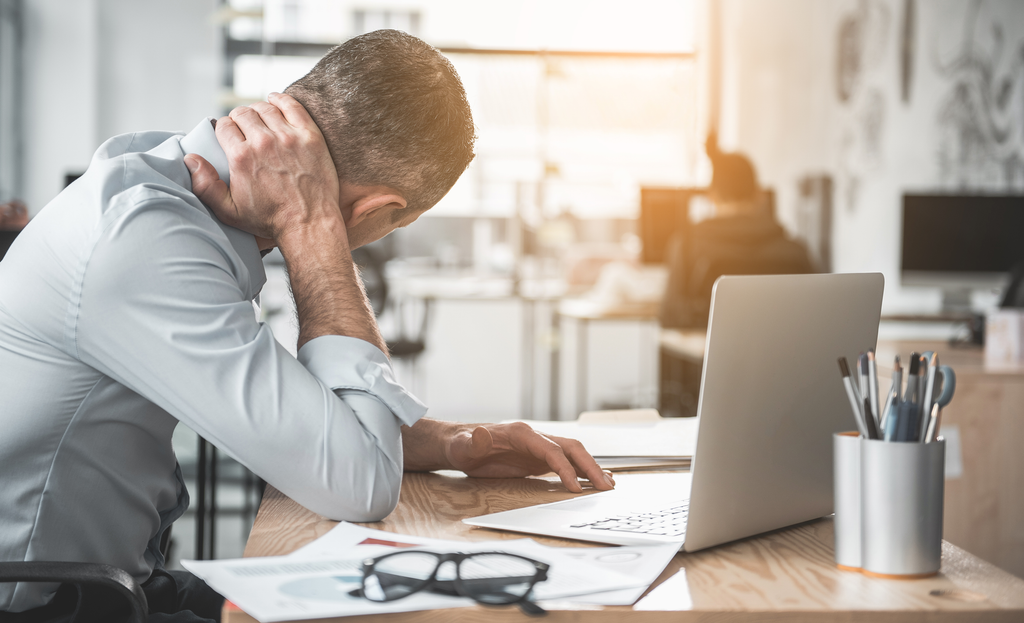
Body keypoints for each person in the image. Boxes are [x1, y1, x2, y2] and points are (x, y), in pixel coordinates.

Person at [0, 30, 613, 622]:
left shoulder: (162, 184)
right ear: (376, 211)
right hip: (52, 604)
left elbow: (296, 415)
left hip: (121, 579)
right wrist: (314, 230)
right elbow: (358, 487)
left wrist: (454, 442)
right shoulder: (145, 240)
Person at [660, 133, 814, 329]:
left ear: (712, 196)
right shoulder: (796, 252)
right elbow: (815, 316)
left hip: (709, 359)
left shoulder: (686, 248)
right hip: (783, 358)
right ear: (759, 195)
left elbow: (669, 319)